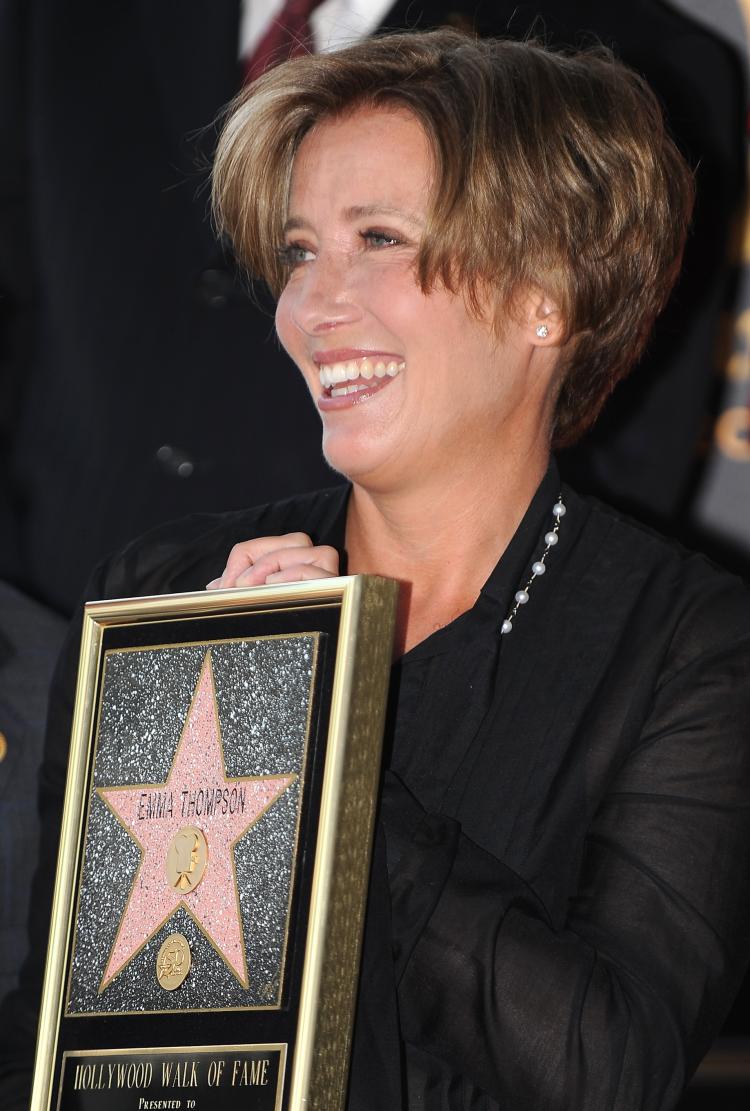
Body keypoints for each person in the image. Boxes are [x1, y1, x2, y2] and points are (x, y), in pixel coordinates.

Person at [2, 29, 749, 1111]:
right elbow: (69, 1050)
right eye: (302, 251)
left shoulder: (689, 642)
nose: (312, 307)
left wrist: (316, 765)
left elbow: (607, 1070)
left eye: (380, 239)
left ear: (548, 291)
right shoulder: (172, 585)